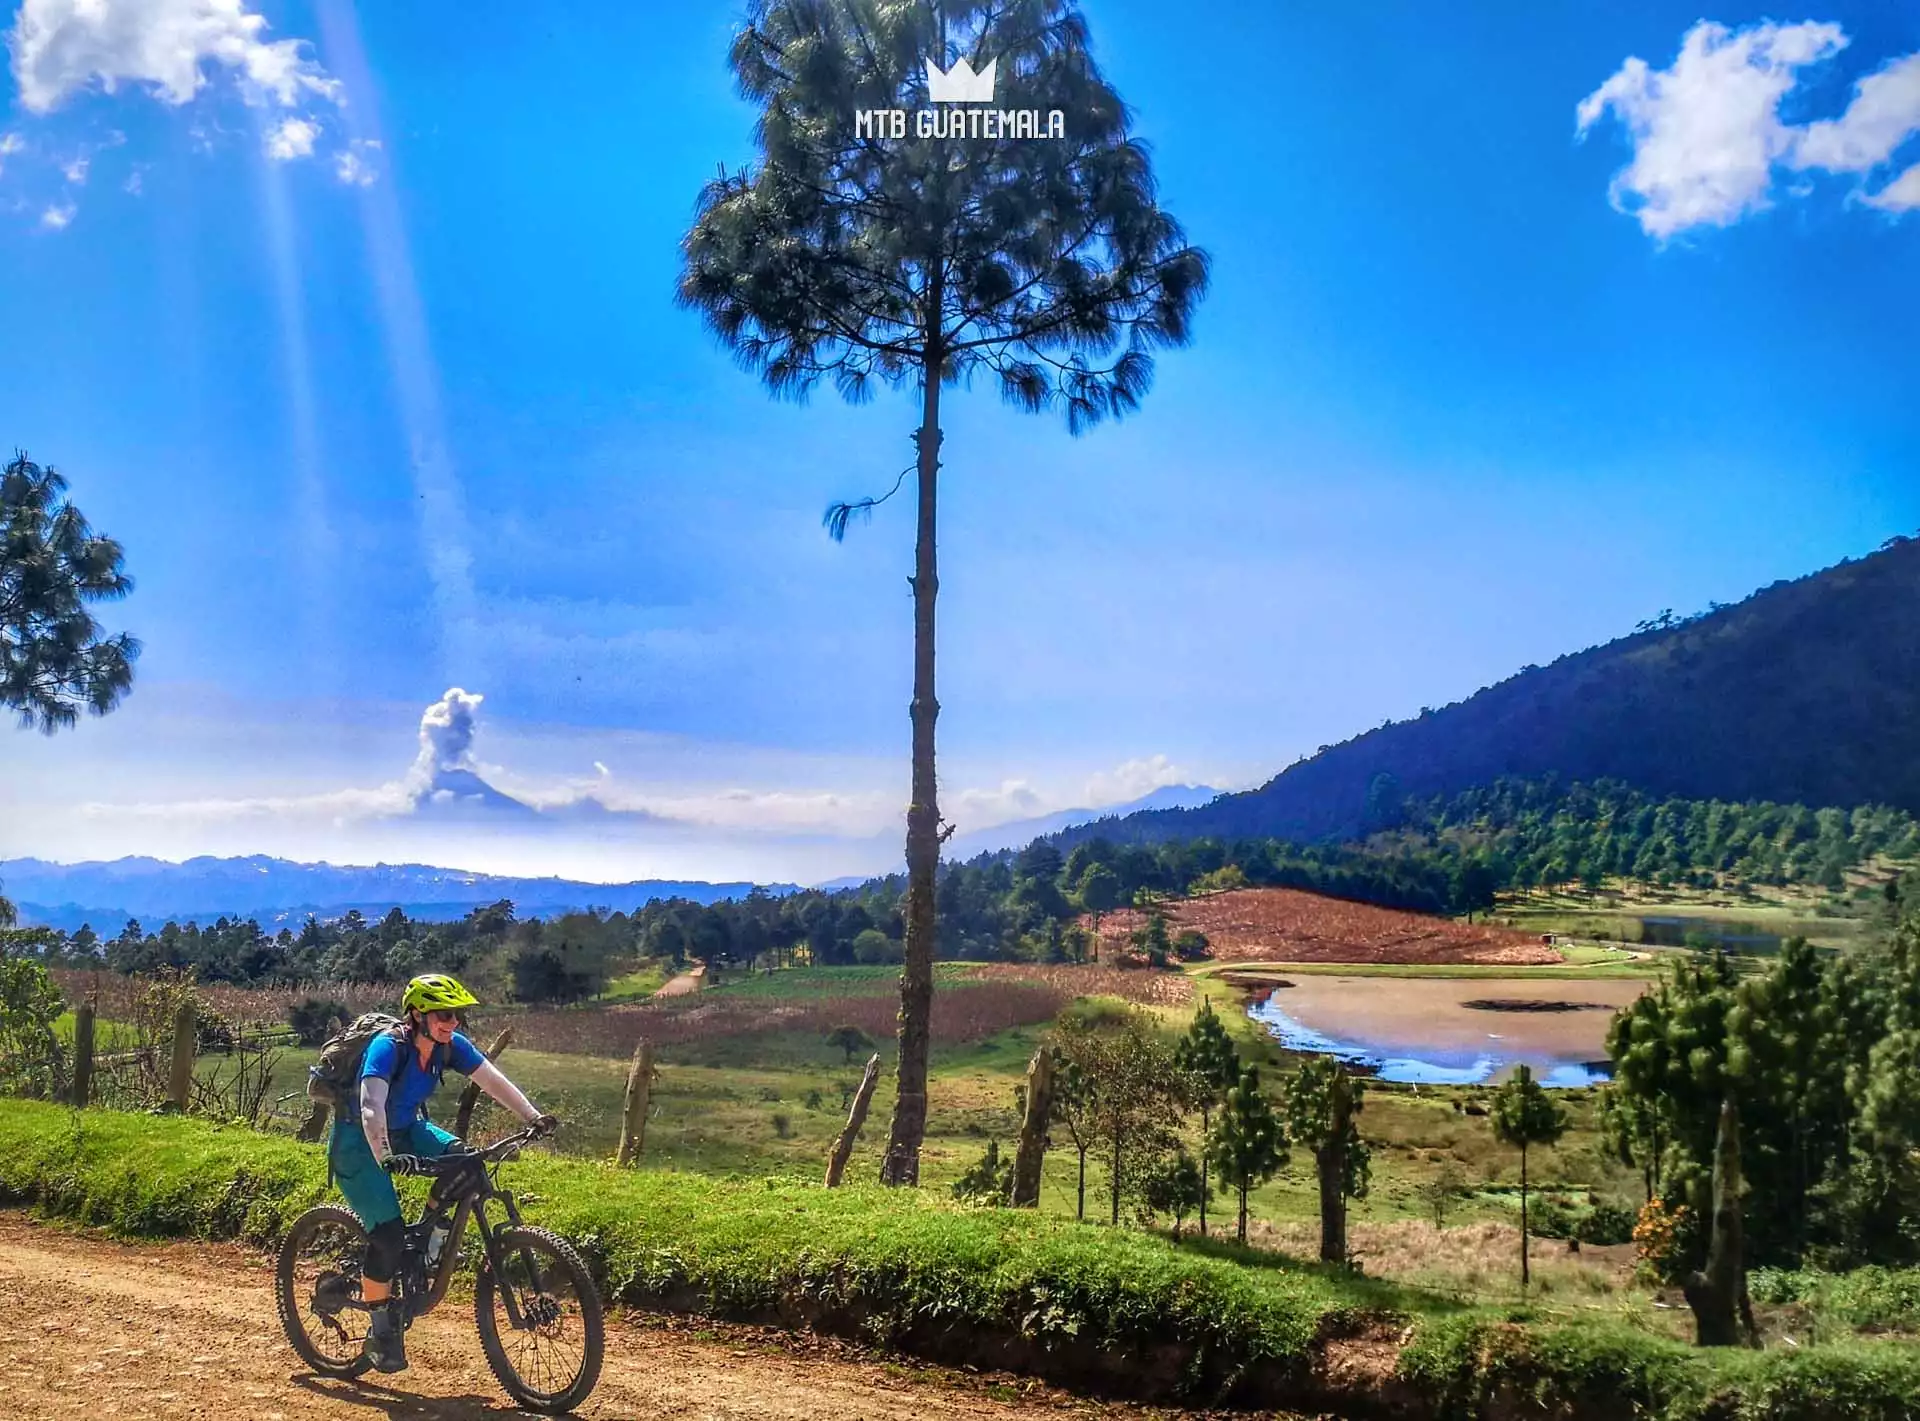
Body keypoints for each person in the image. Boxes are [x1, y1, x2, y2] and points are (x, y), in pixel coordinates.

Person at [330, 973, 556, 1373]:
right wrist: (385, 1155)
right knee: (387, 1236)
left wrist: (533, 1117)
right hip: (359, 1143)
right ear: (417, 1014)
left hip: (408, 1130)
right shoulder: (387, 1048)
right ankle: (381, 1332)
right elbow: (370, 1108)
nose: (452, 1022)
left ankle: (427, 1243)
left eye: (458, 1016)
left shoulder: (449, 1047)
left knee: (469, 1163)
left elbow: (492, 1081)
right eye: (444, 1014)